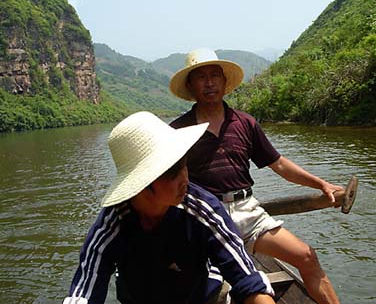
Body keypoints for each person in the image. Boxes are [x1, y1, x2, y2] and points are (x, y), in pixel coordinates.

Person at [169, 48, 343, 304]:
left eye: (215, 76)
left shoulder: (245, 123)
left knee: (306, 256)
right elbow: (166, 182)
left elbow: (279, 164)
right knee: (207, 289)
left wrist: (321, 184)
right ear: (191, 86)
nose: (209, 83)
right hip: (204, 217)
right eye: (201, 77)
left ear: (224, 82)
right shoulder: (178, 131)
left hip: (248, 212)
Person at [63, 111, 275, 304]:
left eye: (184, 165)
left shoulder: (201, 209)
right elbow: (84, 292)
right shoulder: (113, 225)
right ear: (142, 185)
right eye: (173, 172)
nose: (185, 178)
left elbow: (247, 279)